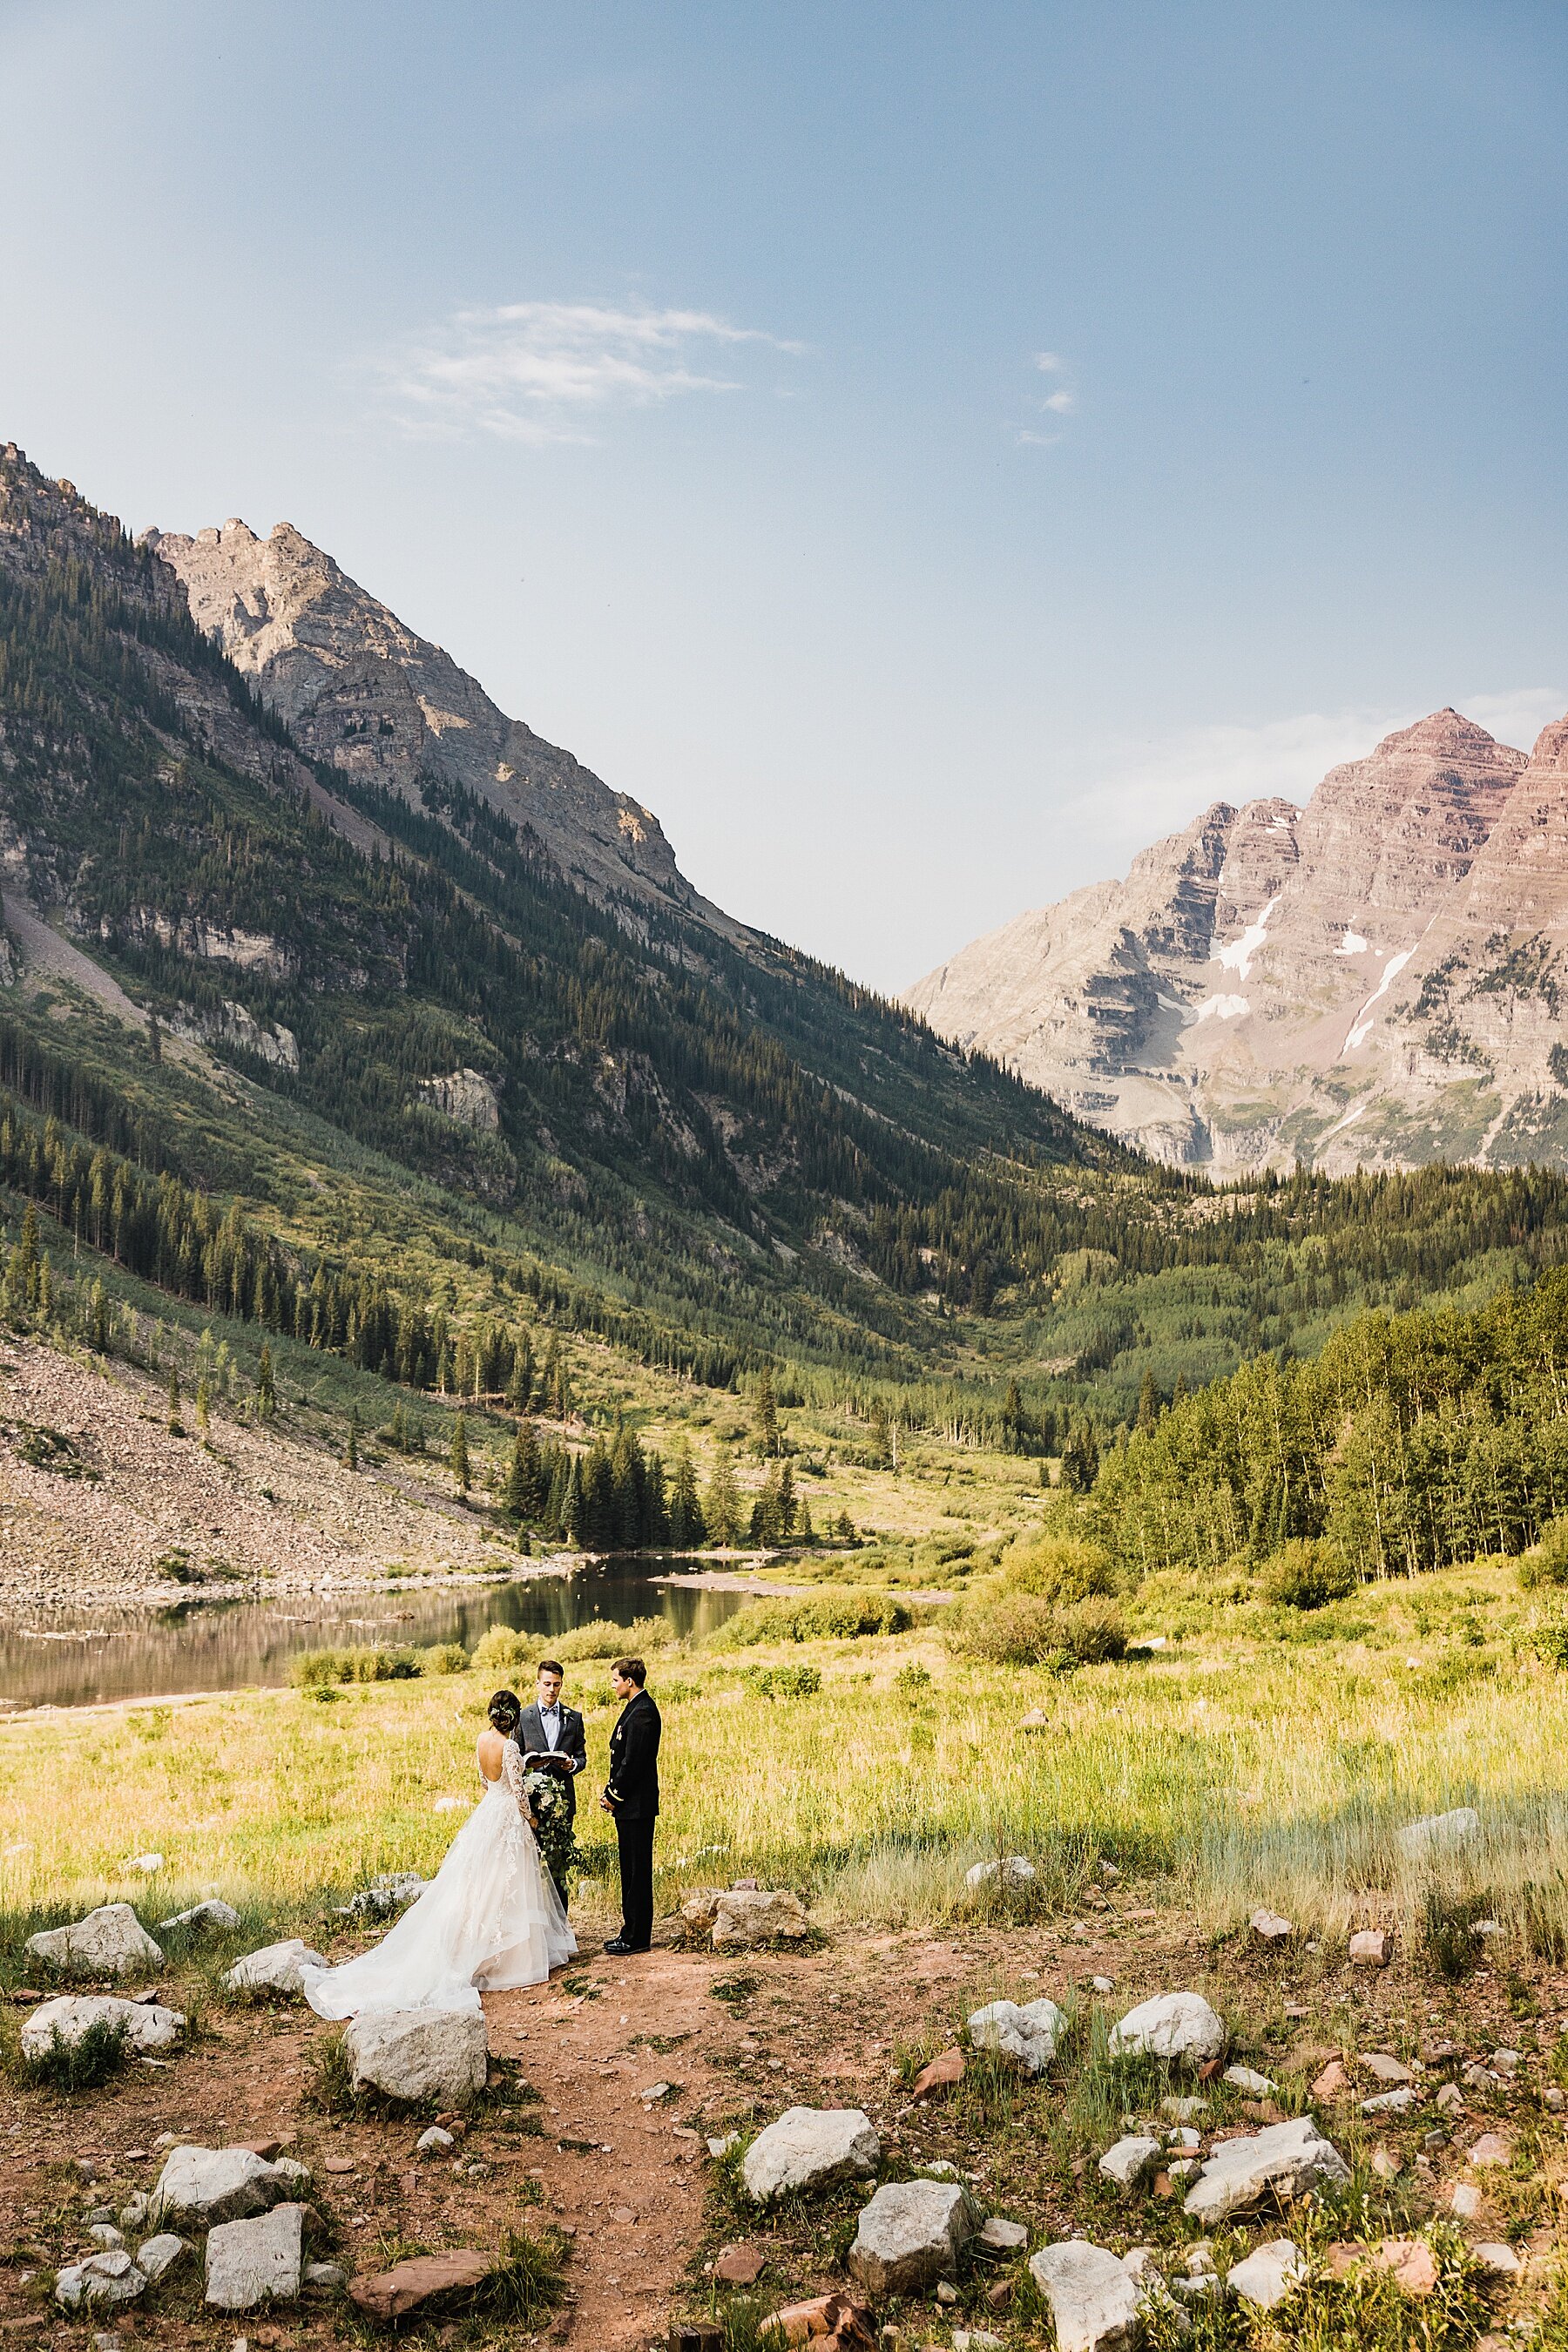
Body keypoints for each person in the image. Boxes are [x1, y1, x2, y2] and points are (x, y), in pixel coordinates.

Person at [302, 1689, 577, 2019]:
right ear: (515, 1718)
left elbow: (483, 1780)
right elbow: (518, 1791)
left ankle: (478, 1946)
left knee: (480, 1884)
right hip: (507, 1817)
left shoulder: (481, 1740)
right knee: (508, 1884)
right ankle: (507, 1959)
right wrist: (531, 1817)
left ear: (492, 1714)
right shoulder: (511, 1747)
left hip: (488, 1810)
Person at [599, 1655, 660, 1956]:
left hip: (636, 1807)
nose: (613, 1686)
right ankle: (630, 1931)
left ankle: (637, 1937)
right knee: (630, 1870)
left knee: (637, 1872)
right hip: (630, 1807)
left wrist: (613, 1795)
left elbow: (633, 1763)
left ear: (629, 1681)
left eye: (615, 1681)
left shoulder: (643, 1713)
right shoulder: (635, 1708)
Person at [515, 1659, 587, 1909]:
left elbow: (581, 1756)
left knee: (559, 1867)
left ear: (561, 1685)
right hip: (532, 1803)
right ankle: (535, 1928)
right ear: (537, 1684)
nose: (551, 1690)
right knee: (530, 1866)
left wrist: (573, 1765)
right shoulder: (523, 1717)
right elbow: (513, 1757)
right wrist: (528, 1764)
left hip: (562, 1802)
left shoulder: (573, 1718)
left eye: (556, 1685)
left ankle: (561, 1929)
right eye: (547, 1684)